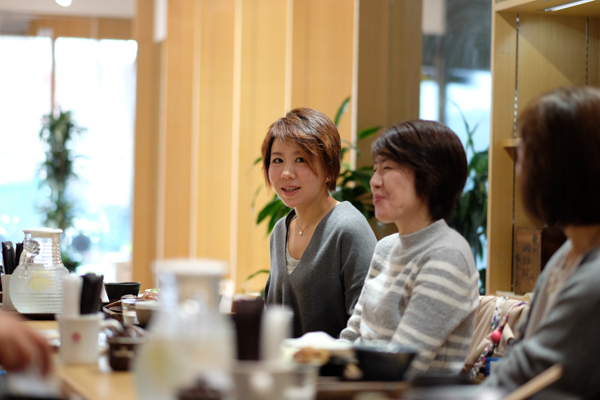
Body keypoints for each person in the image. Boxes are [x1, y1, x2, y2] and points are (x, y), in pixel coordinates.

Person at [483, 87, 600, 399]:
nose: (519, 166)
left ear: (559, 168)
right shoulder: (567, 253)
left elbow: (530, 370)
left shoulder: (594, 278)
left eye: (526, 153)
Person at [339, 119, 480, 378]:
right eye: (375, 168)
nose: (374, 182)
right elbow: (353, 335)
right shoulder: (385, 248)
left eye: (387, 168)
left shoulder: (447, 255)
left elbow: (402, 366)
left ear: (429, 177)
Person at [261, 107, 377, 338]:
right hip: (286, 369)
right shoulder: (280, 231)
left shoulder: (348, 228)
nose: (286, 173)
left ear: (329, 169)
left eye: (301, 159)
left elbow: (368, 325)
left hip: (334, 372)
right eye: (277, 160)